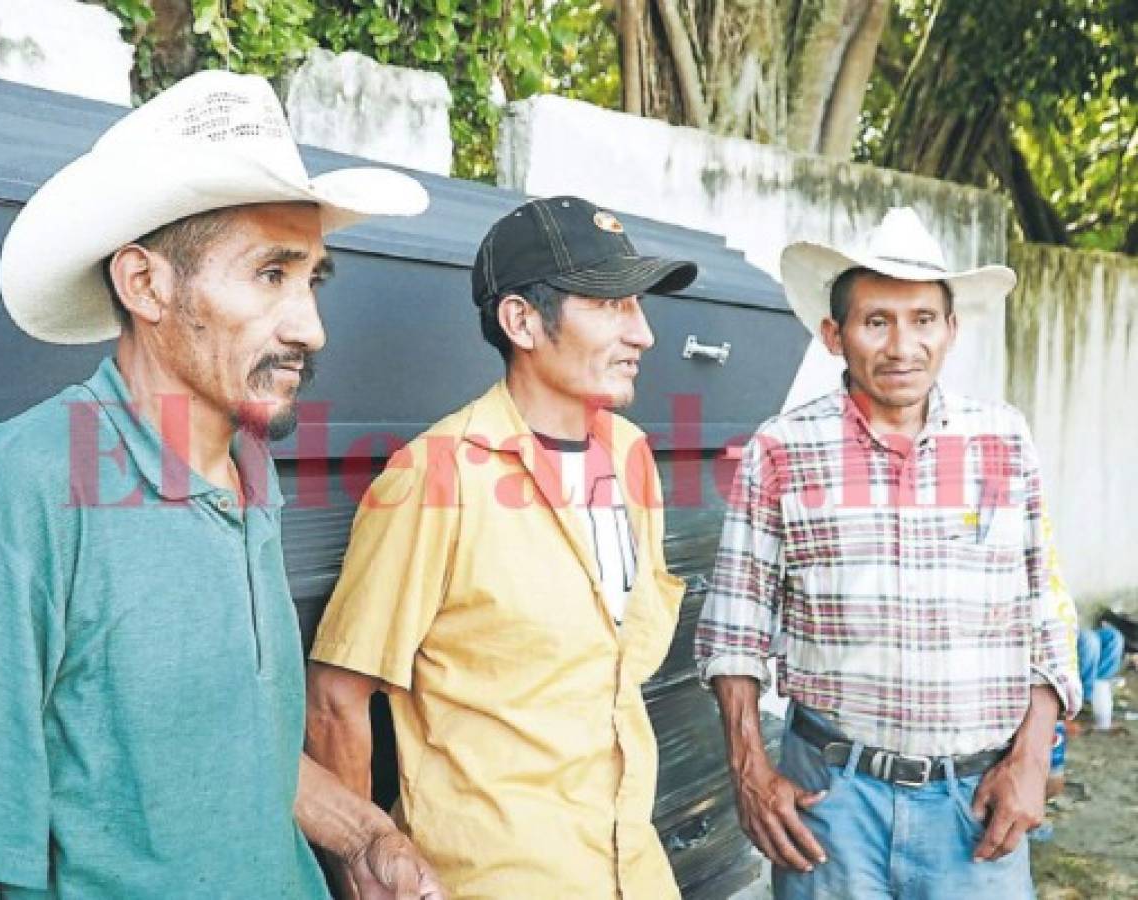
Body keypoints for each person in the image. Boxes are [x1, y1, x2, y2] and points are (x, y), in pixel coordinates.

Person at [0, 70, 443, 899]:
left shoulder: (248, 474)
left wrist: (364, 839)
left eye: (312, 278)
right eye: (271, 273)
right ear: (145, 285)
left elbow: (232, 744)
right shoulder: (21, 489)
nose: (309, 328)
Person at [305, 196, 697, 898]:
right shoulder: (435, 475)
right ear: (520, 321)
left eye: (638, 305)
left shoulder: (631, 455)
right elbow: (336, 699)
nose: (642, 334)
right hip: (498, 877)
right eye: (608, 305)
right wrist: (359, 869)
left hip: (631, 866)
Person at [695, 207, 1081, 899]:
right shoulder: (781, 449)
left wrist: (1030, 758)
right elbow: (734, 628)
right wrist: (749, 771)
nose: (902, 345)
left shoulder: (1002, 440)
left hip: (974, 805)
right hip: (830, 804)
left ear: (950, 330)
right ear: (834, 334)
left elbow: (1045, 609)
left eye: (922, 319)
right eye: (876, 321)